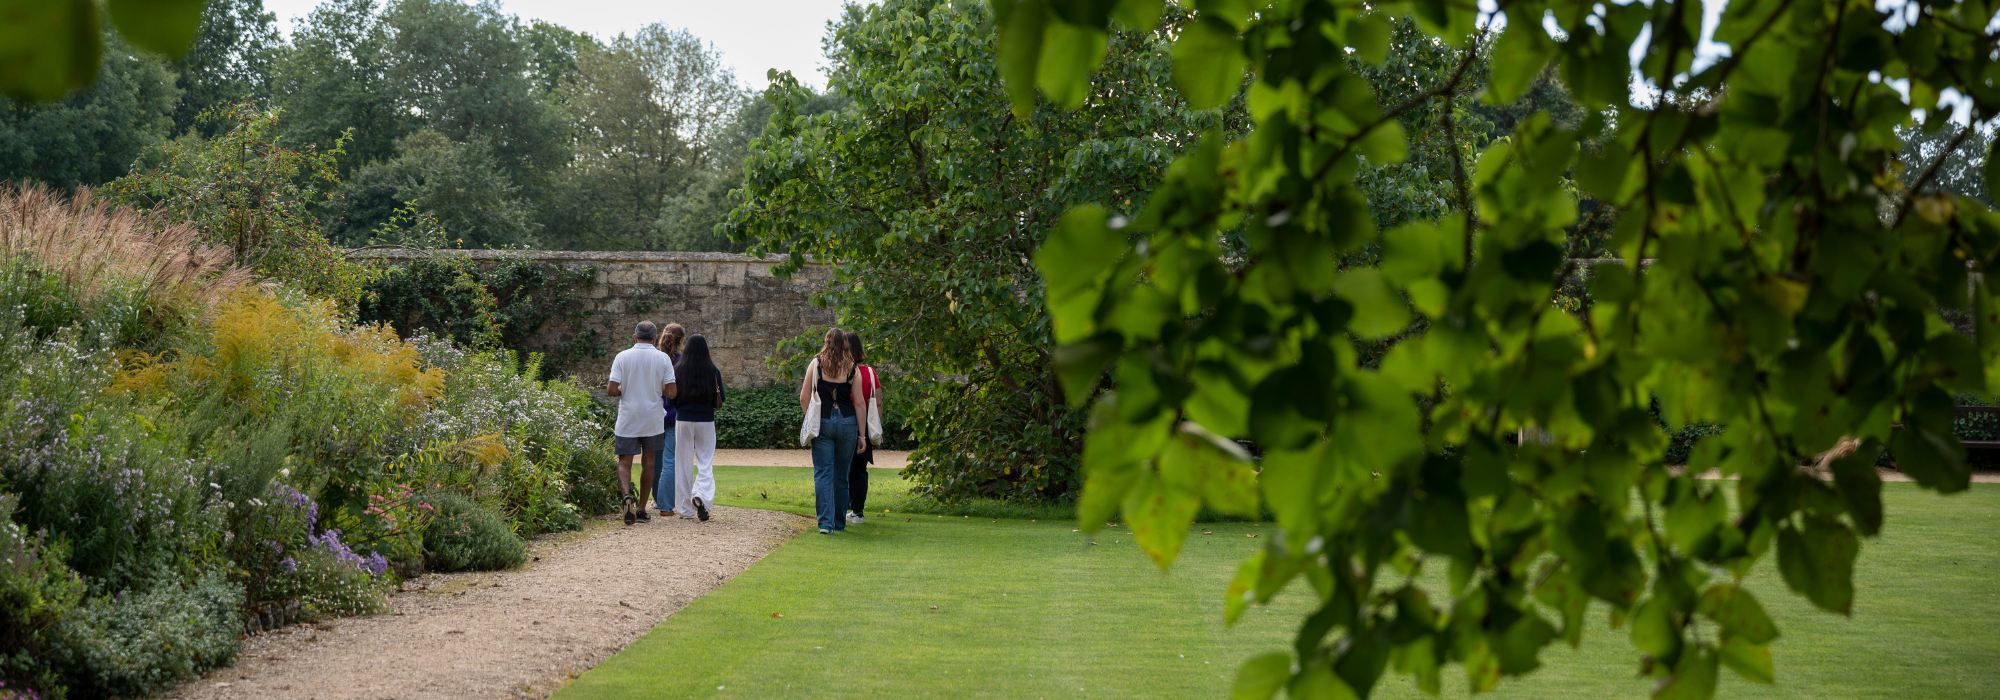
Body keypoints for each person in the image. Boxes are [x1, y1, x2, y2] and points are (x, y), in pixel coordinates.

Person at [606, 321, 675, 525]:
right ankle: (642, 508)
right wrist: (658, 387)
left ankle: (627, 496)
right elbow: (672, 392)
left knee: (624, 461)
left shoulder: (622, 356)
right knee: (649, 463)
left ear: (634, 337)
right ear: (655, 339)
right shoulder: (662, 358)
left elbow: (611, 390)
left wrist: (624, 389)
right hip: (653, 418)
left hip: (628, 416)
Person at [798, 328, 864, 535]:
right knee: (842, 474)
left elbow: (803, 397)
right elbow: (860, 403)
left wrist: (810, 418)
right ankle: (839, 521)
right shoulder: (852, 368)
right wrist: (862, 435)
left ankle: (825, 523)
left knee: (823, 473)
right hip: (847, 422)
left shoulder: (816, 364)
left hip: (823, 421)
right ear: (845, 343)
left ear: (826, 342)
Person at [671, 334, 725, 522]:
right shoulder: (713, 370)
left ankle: (685, 509)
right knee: (705, 460)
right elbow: (721, 398)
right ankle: (701, 494)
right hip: (705, 420)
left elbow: (672, 398)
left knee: (683, 463)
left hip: (684, 419)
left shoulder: (678, 370)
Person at [844, 330, 883, 525]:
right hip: (866, 422)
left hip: (846, 419)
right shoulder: (869, 372)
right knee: (860, 469)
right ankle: (857, 511)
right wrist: (877, 426)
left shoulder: (843, 370)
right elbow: (878, 403)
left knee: (843, 467)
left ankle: (843, 507)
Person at [651, 323, 687, 516]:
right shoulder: (681, 362)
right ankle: (665, 503)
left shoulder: (654, 359)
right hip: (673, 415)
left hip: (654, 414)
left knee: (654, 460)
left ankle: (656, 499)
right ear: (681, 341)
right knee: (670, 460)